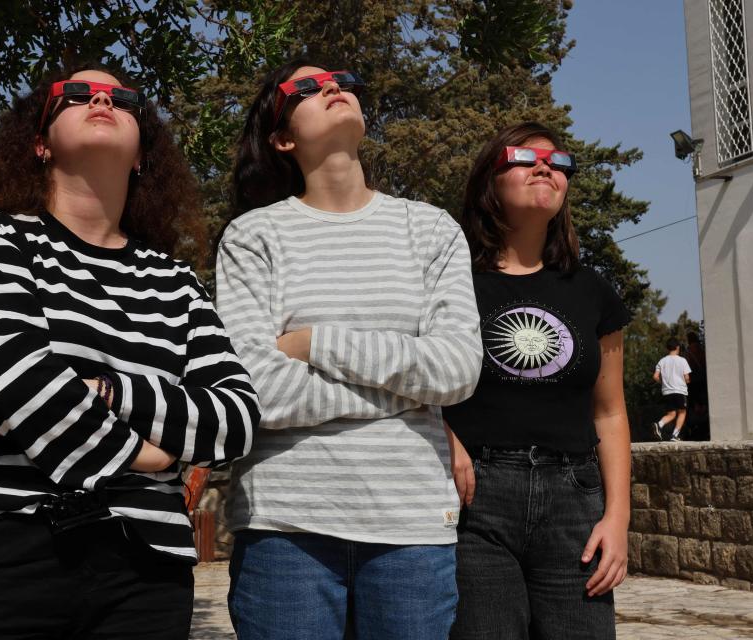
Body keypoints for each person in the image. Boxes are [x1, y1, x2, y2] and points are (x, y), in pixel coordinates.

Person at [0, 65, 260, 639]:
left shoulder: (177, 281)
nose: (101, 99)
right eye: (77, 94)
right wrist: (150, 455)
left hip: (146, 572)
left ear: (141, 156)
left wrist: (108, 391)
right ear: (38, 142)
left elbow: (235, 418)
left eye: (122, 98)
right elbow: (9, 380)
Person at [214, 60, 482, 640]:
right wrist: (409, 394)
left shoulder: (431, 230)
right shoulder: (252, 237)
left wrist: (315, 343)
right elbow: (256, 391)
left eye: (340, 79)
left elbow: (459, 369)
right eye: (305, 88)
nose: (332, 86)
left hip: (412, 528)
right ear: (282, 138)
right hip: (285, 527)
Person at [442, 122, 632, 640]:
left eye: (558, 161)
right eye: (524, 156)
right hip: (474, 503)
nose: (545, 165)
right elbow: (418, 385)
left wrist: (618, 519)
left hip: (575, 500)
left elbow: (610, 412)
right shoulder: (447, 285)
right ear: (489, 180)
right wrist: (444, 436)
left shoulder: (594, 291)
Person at [652, 337, 692, 441]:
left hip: (667, 392)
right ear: (678, 347)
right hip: (680, 391)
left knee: (671, 414)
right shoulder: (682, 360)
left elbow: (655, 376)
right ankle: (675, 435)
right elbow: (687, 377)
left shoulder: (662, 361)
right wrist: (687, 382)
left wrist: (663, 383)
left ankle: (659, 424)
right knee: (682, 412)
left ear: (668, 348)